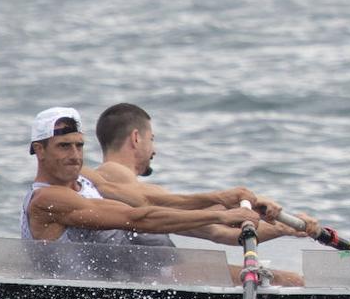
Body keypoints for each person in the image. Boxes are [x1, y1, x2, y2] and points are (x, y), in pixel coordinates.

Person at [22, 106, 300, 285]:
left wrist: (221, 197)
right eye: (64, 147)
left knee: (287, 280)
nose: (74, 156)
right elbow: (137, 217)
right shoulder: (48, 200)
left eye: (79, 146)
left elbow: (143, 201)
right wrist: (222, 213)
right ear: (40, 150)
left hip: (121, 284)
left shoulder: (86, 177)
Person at [91, 102, 319, 248]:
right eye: (152, 139)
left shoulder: (148, 201)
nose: (155, 150)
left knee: (284, 279)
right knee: (289, 281)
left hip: (162, 280)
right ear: (136, 138)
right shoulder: (111, 174)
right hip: (152, 284)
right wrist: (234, 201)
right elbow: (150, 202)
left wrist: (282, 228)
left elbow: (219, 232)